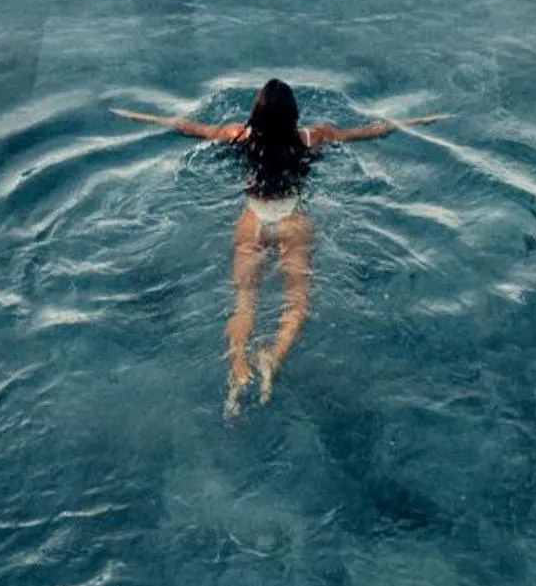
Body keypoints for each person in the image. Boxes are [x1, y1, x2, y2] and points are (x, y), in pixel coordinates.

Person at [114, 79, 444, 414]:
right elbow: (368, 131)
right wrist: (415, 122)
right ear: (294, 115)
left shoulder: (239, 136)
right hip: (291, 221)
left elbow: (188, 127)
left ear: (255, 114)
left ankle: (238, 368)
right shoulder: (312, 137)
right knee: (297, 302)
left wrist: (142, 117)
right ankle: (274, 355)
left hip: (252, 219)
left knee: (244, 303)